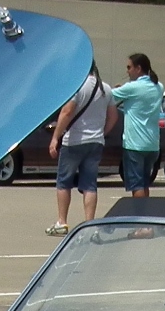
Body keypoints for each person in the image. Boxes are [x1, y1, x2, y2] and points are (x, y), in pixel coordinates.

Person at [46, 65, 116, 235]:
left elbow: (67, 111)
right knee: (90, 184)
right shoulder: (105, 88)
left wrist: (55, 137)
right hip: (96, 142)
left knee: (64, 181)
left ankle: (62, 221)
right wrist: (102, 132)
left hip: (74, 141)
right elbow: (113, 116)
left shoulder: (77, 86)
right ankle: (90, 223)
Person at [110, 53, 164, 200]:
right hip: (152, 143)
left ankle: (139, 215)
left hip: (135, 144)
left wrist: (120, 89)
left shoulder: (132, 87)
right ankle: (145, 217)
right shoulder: (159, 86)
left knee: (137, 185)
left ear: (138, 68)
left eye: (129, 67)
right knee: (145, 182)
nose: (127, 71)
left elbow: (108, 97)